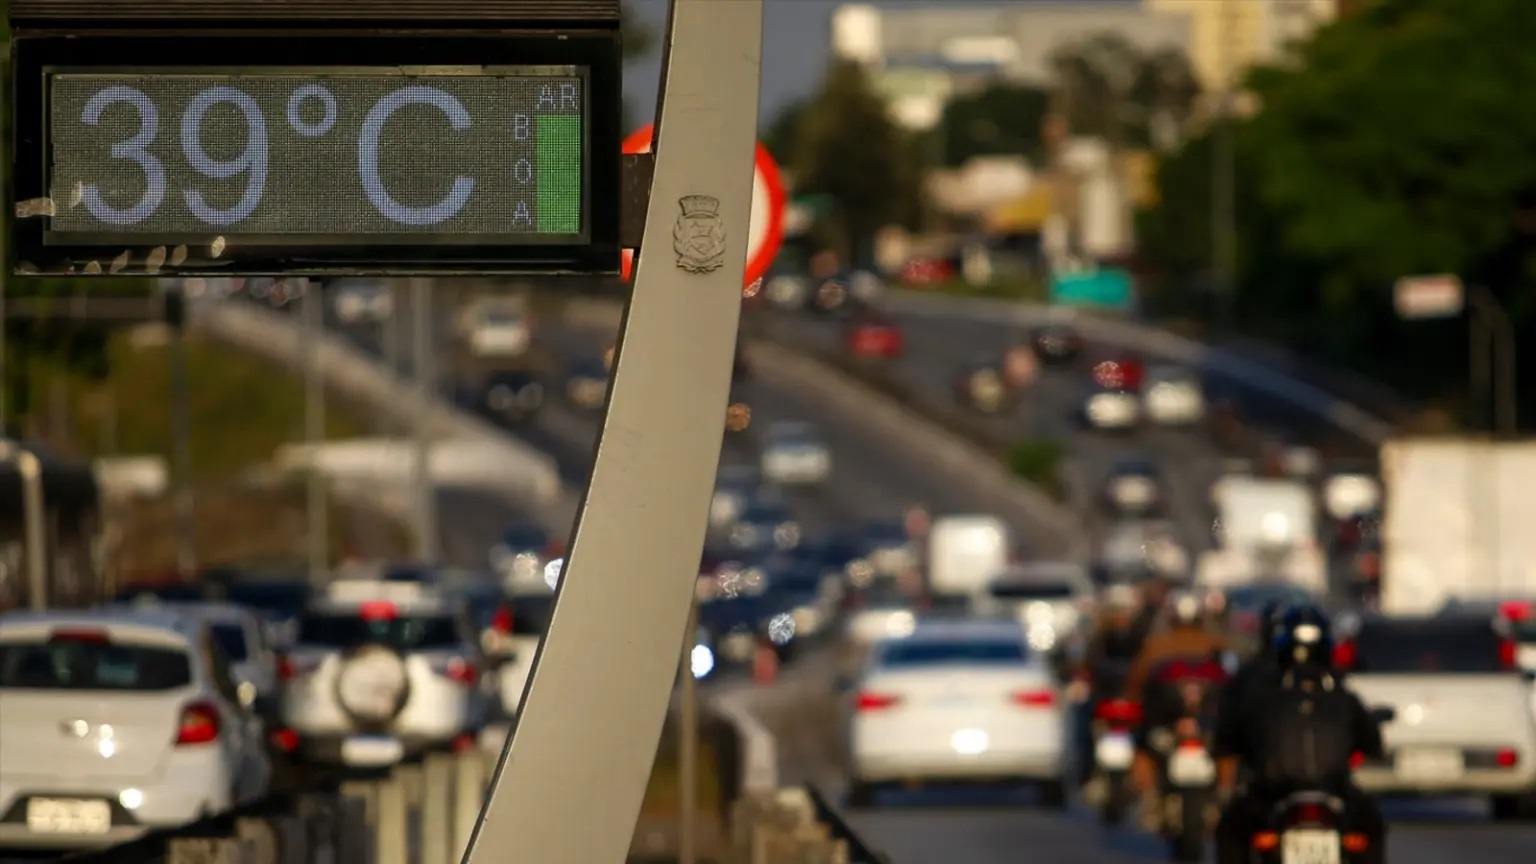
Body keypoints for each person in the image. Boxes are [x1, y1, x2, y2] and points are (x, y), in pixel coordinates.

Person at [1212, 605, 1386, 864]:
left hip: (1277, 792)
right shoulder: (1340, 694)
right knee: (1372, 829)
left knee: (1230, 831)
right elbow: (1373, 743)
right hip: (1328, 790)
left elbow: (1228, 738)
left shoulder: (1261, 693)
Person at [1124, 590, 1229, 822]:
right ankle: (1224, 793)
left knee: (1141, 746)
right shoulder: (1215, 644)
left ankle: (1150, 797)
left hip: (1176, 724)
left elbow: (1137, 682)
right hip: (1186, 725)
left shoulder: (1156, 645)